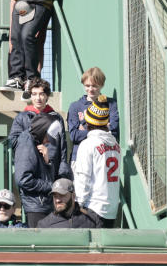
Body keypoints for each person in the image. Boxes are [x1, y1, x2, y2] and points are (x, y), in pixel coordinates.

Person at [73, 95, 120, 228]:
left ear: (88, 123)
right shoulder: (115, 145)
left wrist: (78, 204)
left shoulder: (87, 144)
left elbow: (83, 177)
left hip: (92, 209)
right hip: (111, 210)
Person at [8, 78, 69, 179]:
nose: (38, 98)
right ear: (30, 96)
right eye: (34, 94)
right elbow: (13, 142)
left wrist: (62, 170)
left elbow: (62, 147)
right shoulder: (22, 117)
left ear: (47, 96)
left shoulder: (56, 117)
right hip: (29, 168)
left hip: (51, 168)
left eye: (41, 94)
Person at [16, 112, 68, 228]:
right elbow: (23, 179)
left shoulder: (36, 142)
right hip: (36, 206)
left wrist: (47, 162)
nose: (48, 141)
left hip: (42, 204)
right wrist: (50, 186)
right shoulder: (27, 142)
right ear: (42, 131)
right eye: (47, 137)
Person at [67, 67, 121, 162]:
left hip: (104, 156)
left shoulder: (110, 104)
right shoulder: (75, 106)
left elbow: (114, 130)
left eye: (94, 86)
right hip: (80, 157)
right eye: (87, 86)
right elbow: (74, 136)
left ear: (101, 85)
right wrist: (103, 128)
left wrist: (85, 130)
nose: (90, 89)